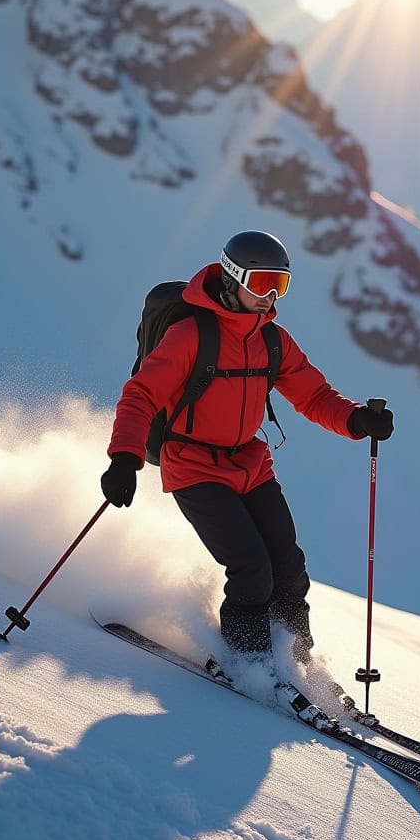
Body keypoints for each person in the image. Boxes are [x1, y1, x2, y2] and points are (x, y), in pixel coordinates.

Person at [100, 229, 394, 663]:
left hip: (250, 464)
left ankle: (296, 665)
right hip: (194, 467)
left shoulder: (272, 340)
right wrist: (124, 458)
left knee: (290, 572)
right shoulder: (191, 335)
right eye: (261, 283)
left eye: (281, 284)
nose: (271, 296)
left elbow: (312, 396)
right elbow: (141, 395)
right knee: (252, 571)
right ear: (232, 278)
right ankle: (250, 663)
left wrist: (356, 419)